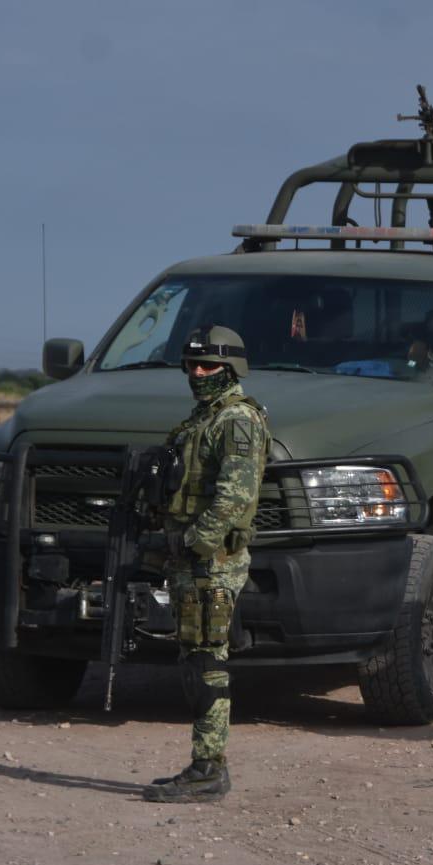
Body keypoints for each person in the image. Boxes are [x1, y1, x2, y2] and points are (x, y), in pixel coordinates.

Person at [142, 326, 270, 802]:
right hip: (192, 559)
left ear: (231, 368)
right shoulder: (203, 418)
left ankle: (208, 768)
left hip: (210, 562)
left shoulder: (236, 420)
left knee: (207, 664)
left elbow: (235, 497)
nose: (198, 374)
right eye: (192, 365)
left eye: (208, 366)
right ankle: (205, 765)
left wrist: (194, 543)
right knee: (195, 657)